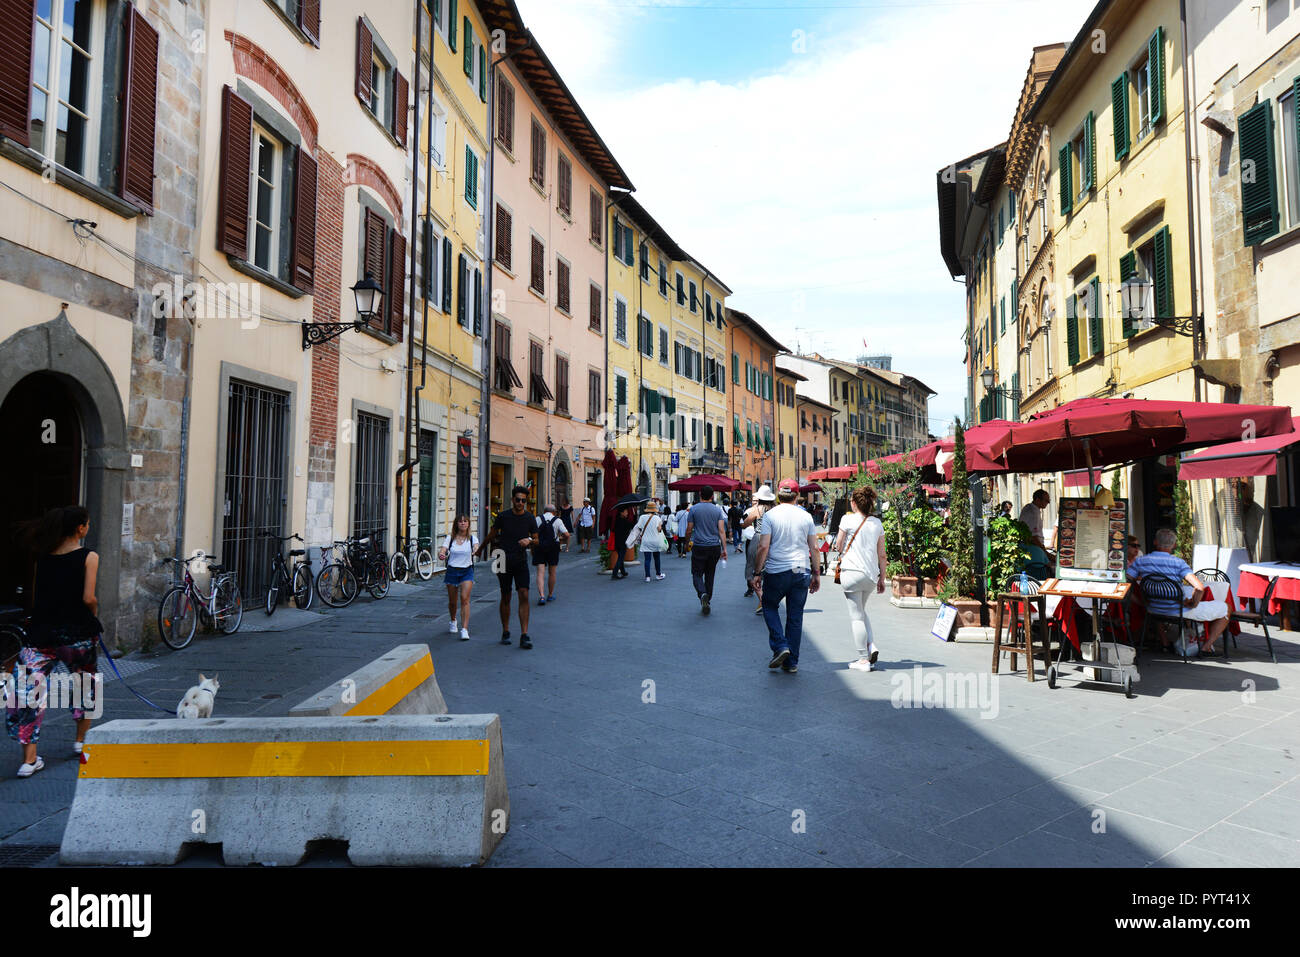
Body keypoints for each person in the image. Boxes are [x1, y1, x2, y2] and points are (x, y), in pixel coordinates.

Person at [7, 506, 101, 778]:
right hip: (77, 634)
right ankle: (80, 742)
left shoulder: (43, 558)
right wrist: (93, 614)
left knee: (27, 691)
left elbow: (37, 597)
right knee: (85, 684)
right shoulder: (89, 557)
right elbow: (88, 598)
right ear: (81, 528)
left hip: (41, 634)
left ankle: (29, 760)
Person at [752, 480, 820, 673]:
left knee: (769, 605)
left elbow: (763, 546)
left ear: (778, 495)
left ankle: (781, 646)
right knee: (795, 616)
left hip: (777, 571)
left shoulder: (770, 516)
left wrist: (757, 572)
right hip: (801, 571)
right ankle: (791, 663)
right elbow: (814, 547)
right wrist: (816, 574)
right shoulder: (806, 517)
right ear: (797, 495)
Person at [1127, 528, 1230, 654]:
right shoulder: (1178, 563)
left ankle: (1165, 643)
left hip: (1153, 609)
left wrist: (1139, 601)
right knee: (1226, 608)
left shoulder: (1140, 561)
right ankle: (1206, 647)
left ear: (1155, 542)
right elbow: (1199, 587)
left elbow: (1125, 581)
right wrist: (1192, 603)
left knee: (1162, 599)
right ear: (1174, 545)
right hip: (1176, 611)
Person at [835, 486, 887, 671]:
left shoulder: (847, 519)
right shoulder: (877, 523)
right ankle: (871, 645)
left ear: (854, 503)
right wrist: (883, 577)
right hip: (871, 575)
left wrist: (839, 545)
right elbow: (882, 554)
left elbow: (839, 545)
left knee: (856, 616)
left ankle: (863, 659)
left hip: (852, 572)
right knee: (862, 611)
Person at [483, 486, 536, 649]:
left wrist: (530, 540)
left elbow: (537, 539)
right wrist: (480, 549)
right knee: (505, 595)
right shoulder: (503, 516)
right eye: (518, 499)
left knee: (524, 593)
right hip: (501, 558)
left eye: (523, 500)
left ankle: (524, 634)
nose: (520, 503)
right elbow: (492, 534)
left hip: (520, 559)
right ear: (512, 500)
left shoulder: (529, 518)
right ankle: (505, 631)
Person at [685, 487, 729, 614]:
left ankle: (702, 593)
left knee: (697, 573)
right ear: (712, 496)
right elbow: (721, 531)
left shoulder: (693, 509)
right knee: (710, 574)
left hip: (699, 546)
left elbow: (689, 529)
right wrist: (724, 549)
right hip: (714, 547)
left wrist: (686, 543)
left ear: (700, 495)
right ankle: (707, 599)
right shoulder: (717, 510)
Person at [438, 514, 477, 640]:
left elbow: (476, 547)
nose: (463, 523)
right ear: (456, 524)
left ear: (468, 524)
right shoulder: (450, 538)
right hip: (452, 571)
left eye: (465, 521)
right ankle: (453, 620)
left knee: (465, 598)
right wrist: (441, 554)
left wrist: (476, 550)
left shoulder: (472, 539)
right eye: (460, 522)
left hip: (467, 571)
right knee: (452, 602)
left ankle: (464, 629)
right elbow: (443, 550)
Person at [743, 486, 776, 612]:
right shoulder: (774, 510)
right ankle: (766, 599)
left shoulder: (757, 509)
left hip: (758, 539)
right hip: (772, 540)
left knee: (750, 571)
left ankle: (762, 599)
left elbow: (745, 523)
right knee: (768, 571)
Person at [533, 504, 569, 604]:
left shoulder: (537, 519)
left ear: (544, 511)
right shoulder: (557, 520)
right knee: (552, 572)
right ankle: (550, 594)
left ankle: (542, 596)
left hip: (540, 546)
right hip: (553, 547)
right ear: (554, 512)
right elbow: (567, 534)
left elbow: (532, 533)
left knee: (540, 572)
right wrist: (560, 537)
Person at [629, 501, 668, 582]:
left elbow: (639, 528)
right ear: (654, 510)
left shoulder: (642, 517)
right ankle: (658, 574)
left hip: (646, 541)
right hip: (655, 540)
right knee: (657, 558)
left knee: (647, 559)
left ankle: (647, 577)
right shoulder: (657, 518)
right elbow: (659, 529)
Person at [611, 506, 637, 581]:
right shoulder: (623, 521)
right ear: (621, 513)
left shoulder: (617, 520)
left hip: (617, 541)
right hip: (622, 542)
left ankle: (623, 572)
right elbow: (632, 525)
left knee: (620, 556)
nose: (627, 513)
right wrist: (635, 515)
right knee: (621, 557)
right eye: (626, 511)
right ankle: (614, 573)